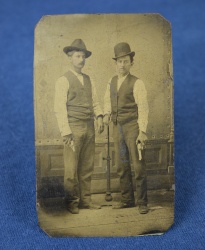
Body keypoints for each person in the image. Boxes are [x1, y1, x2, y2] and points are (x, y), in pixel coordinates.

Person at [54, 39, 104, 214]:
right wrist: (66, 132)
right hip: (73, 128)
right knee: (71, 169)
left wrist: (99, 117)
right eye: (77, 56)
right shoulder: (63, 80)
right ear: (70, 57)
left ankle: (86, 201)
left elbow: (95, 103)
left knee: (87, 166)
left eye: (83, 56)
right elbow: (59, 108)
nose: (81, 59)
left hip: (89, 127)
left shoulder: (89, 80)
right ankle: (72, 202)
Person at [103, 42, 149, 214]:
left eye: (126, 61)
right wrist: (107, 114)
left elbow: (143, 107)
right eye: (119, 61)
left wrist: (142, 132)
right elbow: (107, 101)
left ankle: (143, 202)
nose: (122, 65)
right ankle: (127, 200)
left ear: (131, 63)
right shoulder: (111, 81)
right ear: (115, 63)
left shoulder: (138, 83)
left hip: (132, 127)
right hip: (117, 127)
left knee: (138, 166)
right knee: (122, 166)